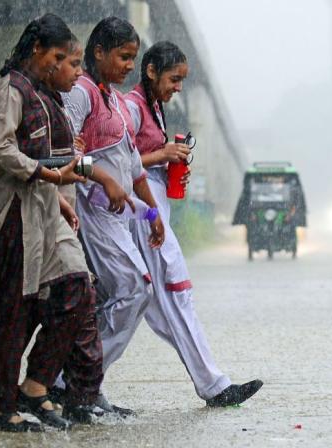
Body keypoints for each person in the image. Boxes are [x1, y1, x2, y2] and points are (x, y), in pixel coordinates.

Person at [0, 15, 127, 431]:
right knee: (15, 306)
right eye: (64, 60)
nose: (70, 69)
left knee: (66, 294)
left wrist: (66, 188)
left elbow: (66, 159)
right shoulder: (12, 89)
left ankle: (27, 388)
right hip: (17, 209)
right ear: (40, 52)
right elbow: (3, 149)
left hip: (46, 208)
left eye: (73, 62)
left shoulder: (50, 96)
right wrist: (53, 179)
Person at [125, 41, 262, 407]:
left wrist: (166, 163)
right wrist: (162, 155)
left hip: (152, 208)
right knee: (173, 293)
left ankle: (67, 384)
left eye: (183, 81)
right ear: (151, 71)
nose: (178, 88)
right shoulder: (132, 107)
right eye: (174, 79)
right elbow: (118, 162)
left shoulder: (152, 107)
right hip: (144, 212)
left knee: (135, 303)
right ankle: (215, 385)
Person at [55, 16, 164, 415]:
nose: (128, 66)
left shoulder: (115, 100)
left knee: (108, 300)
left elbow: (133, 166)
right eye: (122, 56)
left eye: (133, 58)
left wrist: (152, 210)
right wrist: (102, 179)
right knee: (134, 290)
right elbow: (64, 152)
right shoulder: (80, 93)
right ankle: (75, 383)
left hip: (120, 217)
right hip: (93, 211)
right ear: (97, 52)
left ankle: (76, 383)